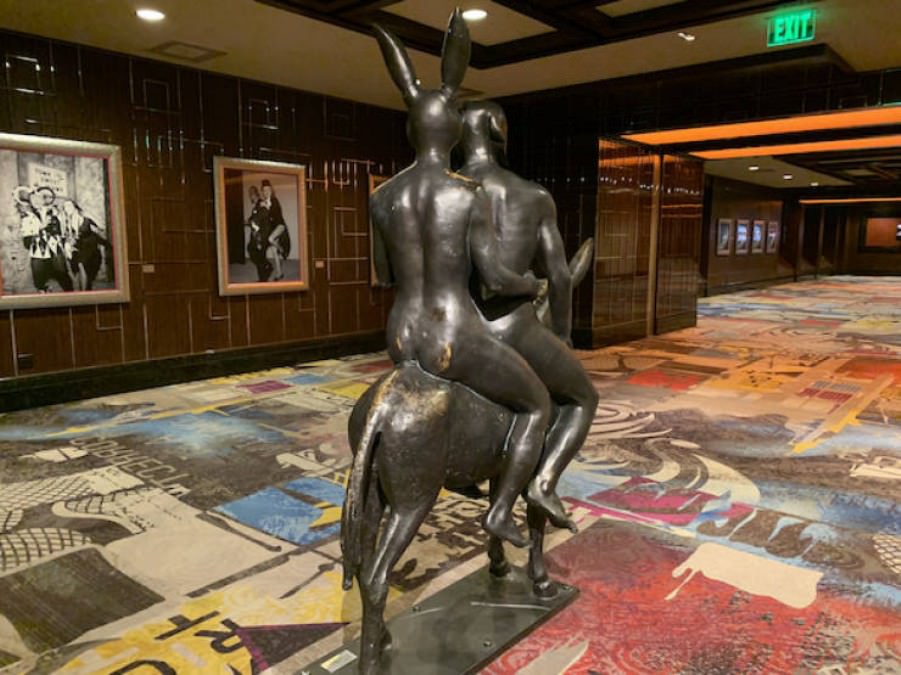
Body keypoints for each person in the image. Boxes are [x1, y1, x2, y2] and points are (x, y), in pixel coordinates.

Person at [369, 14, 570, 547]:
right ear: (452, 131)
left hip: (400, 338)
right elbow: (496, 279)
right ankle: (501, 511)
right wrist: (532, 286)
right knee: (536, 403)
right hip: (451, 337)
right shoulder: (464, 192)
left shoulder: (382, 196)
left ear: (413, 129)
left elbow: (383, 274)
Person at [459, 100, 599, 529]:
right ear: (499, 132)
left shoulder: (445, 191)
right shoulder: (533, 196)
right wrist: (563, 335)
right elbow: (560, 276)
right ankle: (544, 483)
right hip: (513, 327)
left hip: (456, 327)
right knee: (583, 398)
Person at [17, 186, 73, 292]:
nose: (36, 201)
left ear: (43, 200)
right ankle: (44, 294)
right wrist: (40, 227)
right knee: (39, 279)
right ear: (30, 202)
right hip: (38, 251)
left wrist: (66, 244)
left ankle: (71, 296)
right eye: (33, 199)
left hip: (55, 248)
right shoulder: (27, 217)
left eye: (38, 198)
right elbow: (26, 241)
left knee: (63, 275)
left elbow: (63, 231)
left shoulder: (55, 213)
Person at [60, 200, 110, 290]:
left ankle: (85, 290)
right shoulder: (65, 221)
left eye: (69, 206)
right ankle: (83, 290)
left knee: (84, 269)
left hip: (88, 247)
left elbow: (99, 229)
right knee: (78, 269)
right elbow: (65, 235)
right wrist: (67, 244)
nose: (67, 208)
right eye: (65, 207)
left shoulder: (84, 219)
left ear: (75, 207)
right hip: (77, 248)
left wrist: (98, 231)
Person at [259, 179, 290, 281]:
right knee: (274, 252)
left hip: (280, 226)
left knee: (271, 239)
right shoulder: (263, 203)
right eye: (264, 190)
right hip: (272, 228)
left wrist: (267, 207)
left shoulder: (274, 200)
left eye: (268, 190)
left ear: (271, 190)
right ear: (262, 192)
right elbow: (263, 218)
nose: (266, 192)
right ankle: (279, 273)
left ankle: (282, 250)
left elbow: (275, 214)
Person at [245, 185, 272, 281]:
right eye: (249, 194)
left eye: (251, 194)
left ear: (255, 194)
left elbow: (260, 219)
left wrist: (250, 222)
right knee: (254, 252)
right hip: (257, 235)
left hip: (261, 236)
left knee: (259, 255)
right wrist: (248, 220)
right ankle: (267, 266)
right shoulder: (256, 205)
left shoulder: (261, 204)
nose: (250, 196)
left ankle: (263, 278)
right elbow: (254, 218)